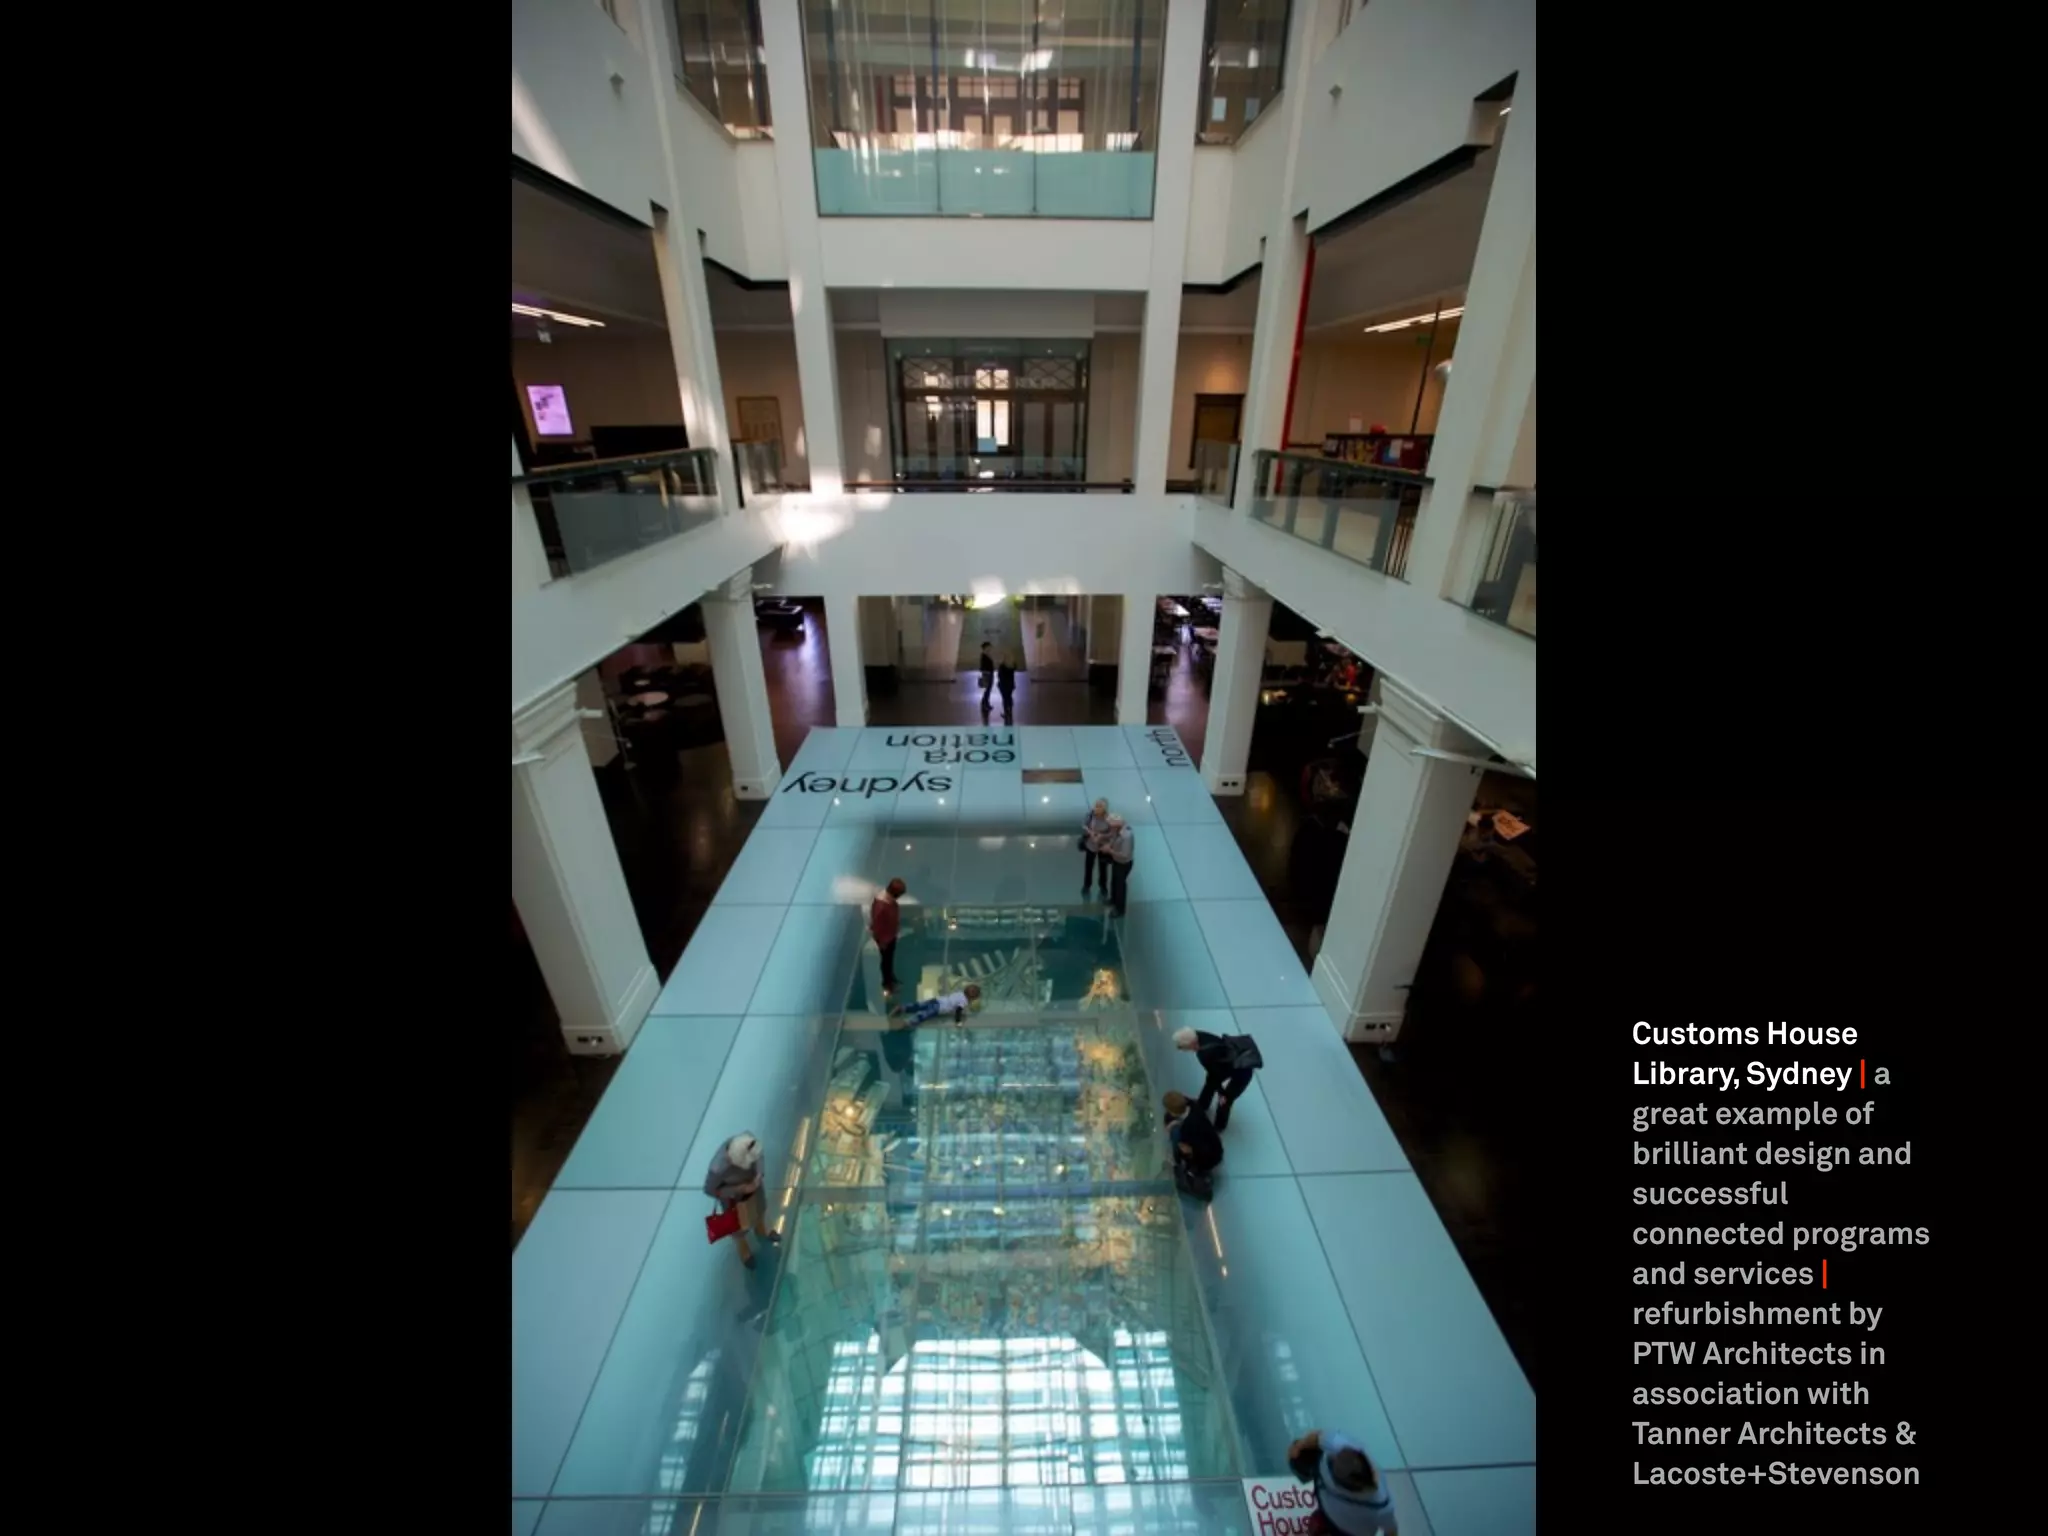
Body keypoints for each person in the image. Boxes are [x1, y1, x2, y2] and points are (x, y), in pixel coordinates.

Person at [1287, 1429, 1399, 1534]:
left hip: (1346, 1530)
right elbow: (1318, 1437)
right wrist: (1300, 1446)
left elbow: (1391, 1531)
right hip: (1327, 1502)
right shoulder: (1340, 1446)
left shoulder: (1382, 1506)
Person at [703, 1131, 781, 1270]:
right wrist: (740, 1189)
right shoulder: (717, 1169)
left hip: (755, 1189)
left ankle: (762, 1231)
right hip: (734, 1200)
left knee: (759, 1211)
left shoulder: (747, 1141)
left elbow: (759, 1156)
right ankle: (744, 1252)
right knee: (739, 1228)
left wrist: (758, 1174)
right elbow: (710, 1190)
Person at [1173, 1026, 1261, 1131]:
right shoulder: (1198, 1035)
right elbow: (1213, 1074)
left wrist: (1222, 1092)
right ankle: (1203, 1104)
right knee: (1210, 1084)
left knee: (1224, 1100)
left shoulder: (1204, 1054)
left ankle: (1219, 1126)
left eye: (1184, 1047)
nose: (1183, 1049)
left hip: (1241, 1071)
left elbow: (1216, 1074)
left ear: (1192, 1044)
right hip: (1225, 1061)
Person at [1163, 1089, 1222, 1182]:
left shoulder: (1190, 1127)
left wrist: (1189, 1149)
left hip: (1209, 1156)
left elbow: (1196, 1147)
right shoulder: (1192, 1105)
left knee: (1178, 1138)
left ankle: (1190, 1169)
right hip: (1212, 1144)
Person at [869, 877, 906, 999]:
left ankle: (891, 978)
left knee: (889, 960)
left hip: (890, 936)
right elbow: (877, 926)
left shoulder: (889, 901)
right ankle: (887, 983)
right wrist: (882, 941)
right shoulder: (881, 905)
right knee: (886, 961)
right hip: (885, 939)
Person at [893, 983, 982, 1026]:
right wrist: (958, 1022)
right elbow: (958, 1010)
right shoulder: (964, 1001)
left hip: (937, 1000)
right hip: (939, 1008)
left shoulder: (960, 993)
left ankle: (903, 1008)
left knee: (920, 1005)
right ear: (972, 998)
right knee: (924, 1015)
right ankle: (907, 1022)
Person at [1079, 798, 1113, 898]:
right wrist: (1090, 832)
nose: (1096, 808)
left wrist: (1101, 836)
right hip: (1091, 845)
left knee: (1103, 868)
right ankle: (1087, 885)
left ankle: (1103, 886)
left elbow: (1112, 832)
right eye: (1096, 805)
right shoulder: (1090, 815)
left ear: (1104, 809)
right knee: (1088, 867)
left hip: (1103, 846)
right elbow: (1083, 825)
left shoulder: (1109, 818)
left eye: (1099, 806)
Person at [1102, 814, 1134, 914]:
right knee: (1114, 882)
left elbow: (1124, 855)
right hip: (1116, 861)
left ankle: (1120, 909)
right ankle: (1113, 900)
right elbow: (1112, 838)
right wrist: (1108, 845)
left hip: (1123, 864)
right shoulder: (1117, 830)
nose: (1110, 828)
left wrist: (1109, 851)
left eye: (1111, 825)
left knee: (1120, 886)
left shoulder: (1127, 836)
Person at [996, 655, 1017, 723]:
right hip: (1010, 685)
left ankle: (1006, 712)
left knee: (1005, 698)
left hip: (1003, 685)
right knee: (1009, 697)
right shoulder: (1012, 666)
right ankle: (1010, 711)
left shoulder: (1002, 667)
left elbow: (999, 676)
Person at [978, 643, 995, 710]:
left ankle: (985, 703)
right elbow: (983, 667)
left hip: (989, 674)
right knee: (987, 690)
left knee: (988, 690)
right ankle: (985, 704)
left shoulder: (986, 655)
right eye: (989, 647)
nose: (990, 649)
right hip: (987, 674)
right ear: (985, 648)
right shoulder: (984, 656)